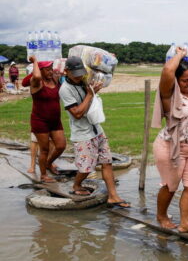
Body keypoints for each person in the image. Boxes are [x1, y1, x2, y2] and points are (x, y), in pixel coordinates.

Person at [151, 46, 188, 234]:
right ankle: (162, 216)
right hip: (171, 147)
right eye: (185, 80)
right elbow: (167, 71)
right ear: (176, 80)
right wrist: (180, 54)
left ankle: (185, 222)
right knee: (170, 186)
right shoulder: (169, 94)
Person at [59, 56, 130, 206]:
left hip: (97, 129)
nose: (79, 76)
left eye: (81, 72)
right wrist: (90, 94)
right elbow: (77, 114)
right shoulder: (65, 90)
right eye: (75, 73)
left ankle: (113, 196)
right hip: (82, 133)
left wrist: (108, 60)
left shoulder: (84, 80)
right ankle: (76, 185)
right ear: (66, 71)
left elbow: (101, 72)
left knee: (107, 162)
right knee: (86, 168)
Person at [29, 56, 67, 183]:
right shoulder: (36, 83)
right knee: (44, 149)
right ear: (40, 71)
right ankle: (43, 175)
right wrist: (34, 61)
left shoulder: (55, 81)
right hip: (40, 121)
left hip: (55, 121)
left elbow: (64, 72)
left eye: (51, 69)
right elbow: (37, 76)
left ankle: (48, 163)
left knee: (61, 146)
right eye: (47, 70)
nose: (51, 72)